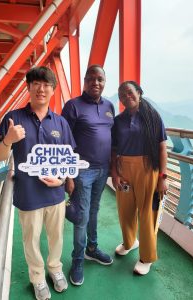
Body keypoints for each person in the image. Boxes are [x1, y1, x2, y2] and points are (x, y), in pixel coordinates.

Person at [0, 66, 76, 300]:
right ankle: (38, 277)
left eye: (46, 84)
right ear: (28, 87)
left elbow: (67, 158)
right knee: (30, 239)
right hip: (28, 194)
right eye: (36, 84)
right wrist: (9, 140)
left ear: (53, 90)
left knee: (56, 236)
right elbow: (0, 156)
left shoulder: (60, 123)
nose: (41, 89)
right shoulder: (13, 118)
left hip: (55, 195)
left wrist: (61, 179)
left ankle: (55, 268)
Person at [62, 64, 115, 286]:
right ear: (85, 81)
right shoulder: (73, 106)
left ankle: (92, 248)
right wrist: (69, 175)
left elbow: (113, 135)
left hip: (103, 169)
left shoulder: (109, 106)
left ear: (104, 82)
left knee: (93, 210)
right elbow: (64, 141)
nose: (96, 83)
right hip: (82, 170)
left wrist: (114, 167)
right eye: (91, 79)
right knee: (82, 216)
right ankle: (77, 259)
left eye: (100, 79)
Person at [111, 81, 168, 275]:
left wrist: (163, 176)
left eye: (130, 92)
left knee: (147, 213)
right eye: (122, 95)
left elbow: (162, 148)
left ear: (139, 93)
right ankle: (129, 242)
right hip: (124, 168)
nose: (126, 97)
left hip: (147, 168)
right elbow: (114, 149)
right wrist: (115, 172)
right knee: (124, 209)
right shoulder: (118, 121)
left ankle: (146, 257)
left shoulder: (153, 117)